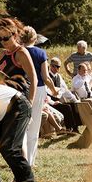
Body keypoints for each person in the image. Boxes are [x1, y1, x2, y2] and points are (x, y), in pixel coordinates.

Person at [19, 26, 58, 167]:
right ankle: (30, 161)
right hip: (39, 88)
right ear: (35, 38)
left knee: (22, 125)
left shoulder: (18, 52)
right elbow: (45, 77)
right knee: (34, 126)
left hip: (21, 88)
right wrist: (53, 90)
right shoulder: (41, 53)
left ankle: (21, 158)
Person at [0, 18, 37, 104]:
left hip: (20, 101)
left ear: (14, 35)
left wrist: (30, 103)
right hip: (5, 101)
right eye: (0, 38)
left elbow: (34, 79)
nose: (3, 42)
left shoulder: (21, 53)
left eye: (6, 38)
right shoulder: (3, 53)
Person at [47, 57, 81, 133]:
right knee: (67, 107)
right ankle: (69, 128)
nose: (58, 69)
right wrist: (53, 99)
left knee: (73, 104)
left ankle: (75, 128)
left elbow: (65, 90)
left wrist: (75, 99)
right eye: (57, 66)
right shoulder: (47, 76)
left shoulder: (58, 76)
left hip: (58, 100)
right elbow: (46, 91)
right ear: (52, 66)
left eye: (59, 67)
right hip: (49, 102)